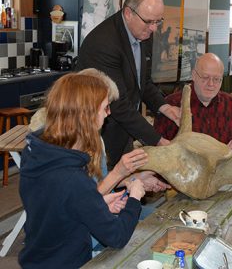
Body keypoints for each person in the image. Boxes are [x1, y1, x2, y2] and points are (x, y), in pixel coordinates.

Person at [19, 73, 147, 268]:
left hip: (36, 258)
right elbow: (116, 236)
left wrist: (97, 204)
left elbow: (53, 207)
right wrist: (135, 199)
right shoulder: (73, 178)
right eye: (105, 107)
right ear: (87, 115)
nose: (108, 113)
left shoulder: (37, 152)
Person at [76, 0, 181, 170]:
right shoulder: (104, 44)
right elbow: (118, 104)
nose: (154, 28)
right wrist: (158, 140)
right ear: (128, 13)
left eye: (158, 21)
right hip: (99, 134)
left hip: (124, 131)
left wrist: (164, 106)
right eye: (149, 21)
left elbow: (143, 82)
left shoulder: (143, 32)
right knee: (104, 187)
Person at [154, 53, 232, 155]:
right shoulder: (171, 105)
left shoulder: (230, 104)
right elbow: (157, 145)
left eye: (217, 79)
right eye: (205, 77)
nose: (211, 84)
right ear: (194, 75)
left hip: (222, 168)